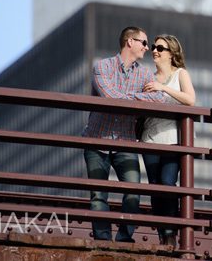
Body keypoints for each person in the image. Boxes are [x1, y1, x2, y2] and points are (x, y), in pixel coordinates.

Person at [83, 26, 175, 243]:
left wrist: (125, 97)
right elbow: (109, 96)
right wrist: (137, 97)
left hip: (125, 142)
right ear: (129, 42)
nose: (148, 48)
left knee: (134, 193)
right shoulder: (102, 66)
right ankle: (103, 241)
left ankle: (124, 238)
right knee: (98, 196)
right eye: (144, 43)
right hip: (97, 140)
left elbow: (160, 99)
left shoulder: (144, 74)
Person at [140, 34, 196, 247]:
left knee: (168, 184)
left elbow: (190, 100)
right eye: (154, 47)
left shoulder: (180, 74)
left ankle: (172, 232)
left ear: (172, 53)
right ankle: (163, 234)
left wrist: (162, 88)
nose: (154, 50)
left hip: (173, 138)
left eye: (160, 48)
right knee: (155, 186)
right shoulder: (147, 76)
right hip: (150, 138)